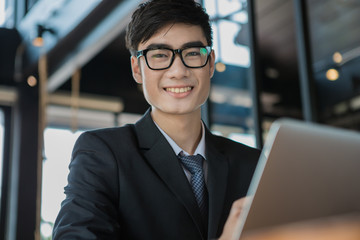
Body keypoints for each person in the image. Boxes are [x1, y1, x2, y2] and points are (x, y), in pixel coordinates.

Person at [52, 0, 260, 239]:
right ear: (137, 69)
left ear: (210, 63)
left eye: (192, 53)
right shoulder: (103, 153)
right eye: (160, 55)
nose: (178, 71)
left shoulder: (253, 165)